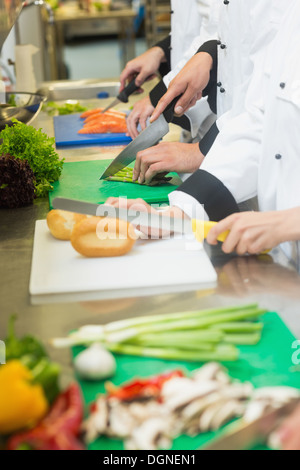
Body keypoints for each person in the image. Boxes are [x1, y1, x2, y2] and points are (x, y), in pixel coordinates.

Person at [106, 0, 300, 261]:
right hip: (283, 253)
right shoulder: (291, 19)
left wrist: (291, 221)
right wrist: (178, 212)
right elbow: (261, 121)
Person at [133, 0, 286, 185]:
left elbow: (267, 88)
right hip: (230, 140)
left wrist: (202, 150)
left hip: (264, 157)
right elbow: (224, 35)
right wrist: (209, 54)